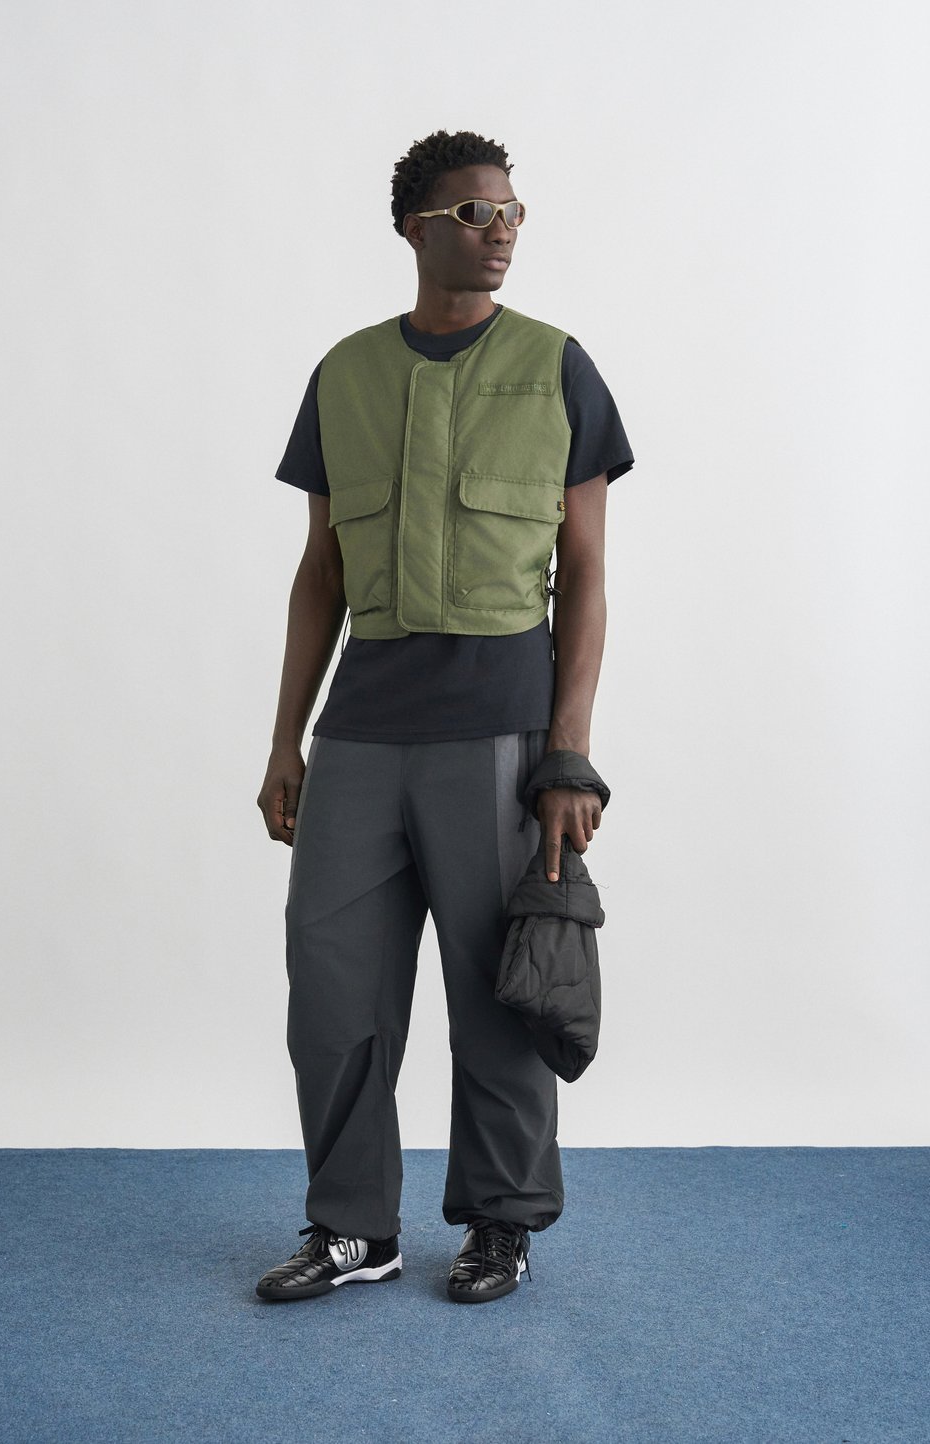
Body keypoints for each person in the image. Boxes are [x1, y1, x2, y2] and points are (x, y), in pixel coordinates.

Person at [254, 129, 634, 1305]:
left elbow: (586, 575)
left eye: (511, 210)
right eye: (474, 213)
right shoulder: (346, 374)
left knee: (497, 990)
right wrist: (284, 738)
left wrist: (567, 754)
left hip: (498, 737)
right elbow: (321, 571)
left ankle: (501, 1222)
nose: (500, 229)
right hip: (360, 735)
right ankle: (351, 1227)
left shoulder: (557, 367)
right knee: (332, 993)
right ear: (413, 228)